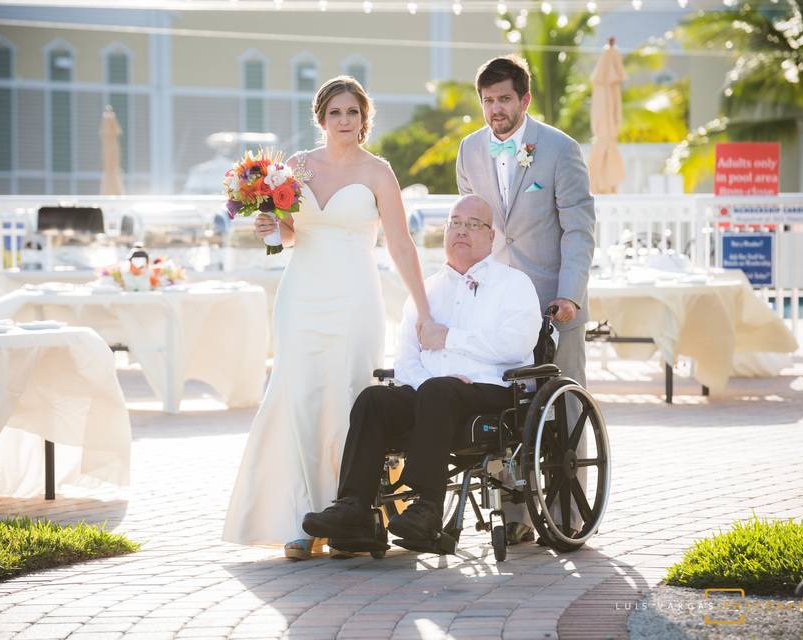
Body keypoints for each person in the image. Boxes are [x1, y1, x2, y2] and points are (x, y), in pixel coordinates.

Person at [222, 76, 432, 560]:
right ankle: (300, 522)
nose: (344, 121)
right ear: (321, 119)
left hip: (356, 298)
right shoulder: (296, 168)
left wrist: (423, 310)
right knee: (297, 398)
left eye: (353, 113)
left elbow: (400, 243)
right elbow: (292, 234)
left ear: (364, 119)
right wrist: (271, 227)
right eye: (335, 113)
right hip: (302, 298)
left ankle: (351, 516)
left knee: (347, 400)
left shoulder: (379, 173)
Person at [301, 195, 541, 547]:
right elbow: (407, 358)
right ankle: (354, 509)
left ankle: (427, 508)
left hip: (491, 391)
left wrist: (450, 338)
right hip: (430, 393)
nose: (462, 231)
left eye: (474, 225)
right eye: (455, 223)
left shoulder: (513, 284)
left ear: (492, 238)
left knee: (439, 392)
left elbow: (516, 345)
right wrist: (428, 382)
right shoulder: (425, 290)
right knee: (373, 400)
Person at [455, 55, 596, 544]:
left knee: (562, 414)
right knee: (504, 407)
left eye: (504, 99)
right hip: (495, 305)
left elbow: (579, 230)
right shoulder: (469, 150)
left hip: (553, 303)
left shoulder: (560, 149)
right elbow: (473, 229)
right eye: (488, 101)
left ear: (525, 99)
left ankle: (567, 515)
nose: (495, 109)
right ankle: (513, 520)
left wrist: (569, 295)